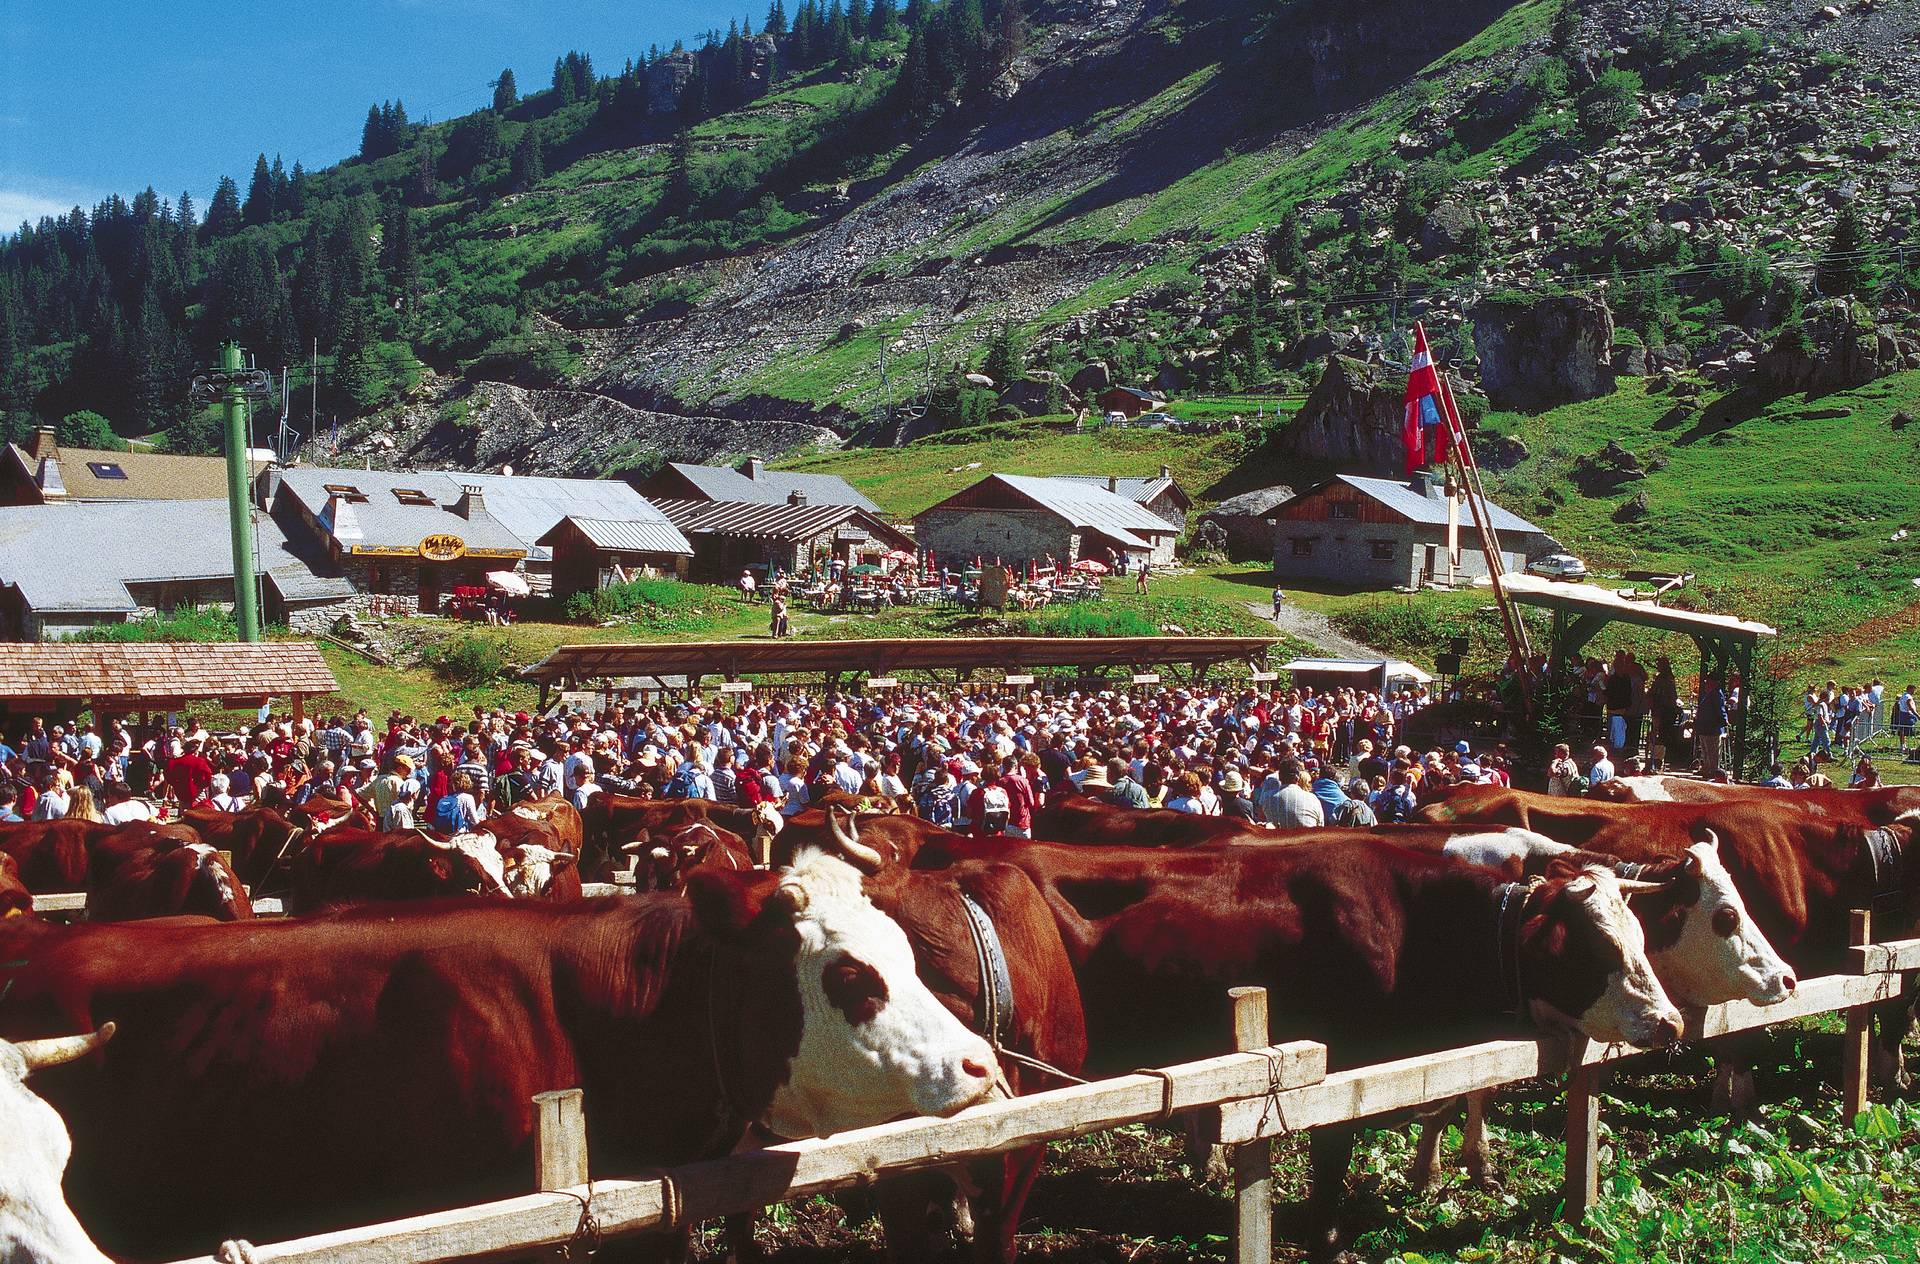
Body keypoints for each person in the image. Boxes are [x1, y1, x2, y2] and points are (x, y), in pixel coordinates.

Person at [1274, 760, 1324, 827]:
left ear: (1279, 777)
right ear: (1297, 778)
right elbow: (1320, 826)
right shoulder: (1313, 799)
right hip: (1309, 833)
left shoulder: (1267, 799)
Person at [1895, 685, 1918, 755]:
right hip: (1907, 715)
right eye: (1913, 690)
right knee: (1907, 731)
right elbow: (1911, 707)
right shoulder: (1908, 697)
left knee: (1902, 731)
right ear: (1910, 689)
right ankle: (1906, 748)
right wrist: (1917, 715)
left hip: (1902, 714)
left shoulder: (1903, 695)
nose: (1914, 692)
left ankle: (1903, 746)